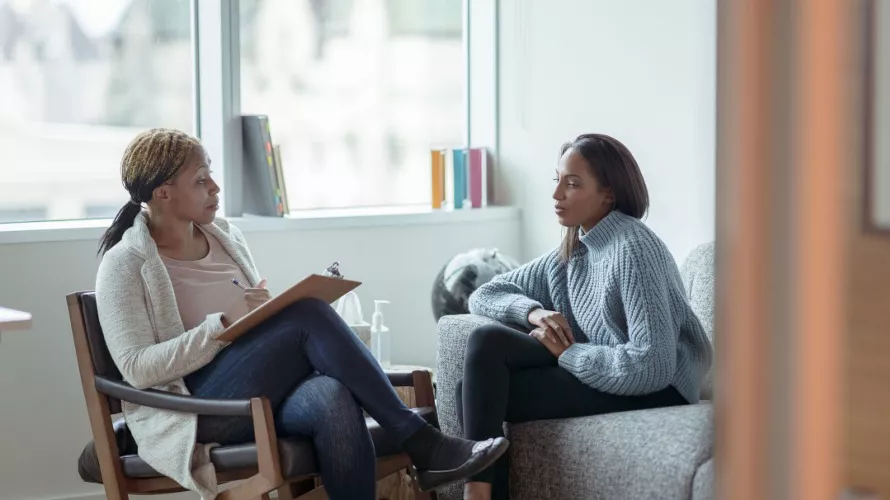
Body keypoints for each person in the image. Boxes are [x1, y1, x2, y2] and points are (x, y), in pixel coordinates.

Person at [94, 128, 508, 500]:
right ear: (162, 193)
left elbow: (254, 328)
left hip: (255, 390)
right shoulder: (125, 265)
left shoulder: (226, 237)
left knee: (332, 397)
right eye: (201, 180)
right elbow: (136, 368)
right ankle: (424, 444)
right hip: (195, 410)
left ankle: (424, 447)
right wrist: (219, 327)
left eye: (211, 175)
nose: (215, 188)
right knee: (307, 314)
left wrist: (258, 317)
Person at [457, 133, 713, 500]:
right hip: (605, 364)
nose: (556, 194)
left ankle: (476, 496)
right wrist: (534, 312)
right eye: (557, 180)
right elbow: (485, 293)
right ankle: (479, 494)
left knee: (476, 390)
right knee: (480, 362)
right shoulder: (574, 249)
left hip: (660, 388)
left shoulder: (633, 246)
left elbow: (653, 364)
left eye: (573, 184)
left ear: (608, 193)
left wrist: (569, 355)